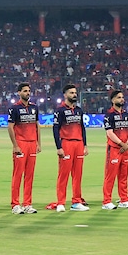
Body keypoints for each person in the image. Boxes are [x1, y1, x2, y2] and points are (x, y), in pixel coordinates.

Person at [52, 83, 89, 211]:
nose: (74, 95)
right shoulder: (60, 110)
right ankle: (60, 203)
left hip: (79, 144)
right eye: (71, 93)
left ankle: (76, 202)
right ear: (65, 95)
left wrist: (85, 145)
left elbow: (82, 128)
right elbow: (55, 129)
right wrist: (59, 147)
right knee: (63, 174)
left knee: (78, 175)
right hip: (66, 143)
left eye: (75, 93)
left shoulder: (79, 110)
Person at [7, 82, 40, 214]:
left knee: (30, 175)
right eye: (25, 91)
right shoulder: (14, 108)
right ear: (19, 93)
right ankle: (15, 204)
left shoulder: (34, 107)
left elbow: (37, 125)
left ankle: (27, 204)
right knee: (17, 175)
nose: (28, 93)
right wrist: (15, 145)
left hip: (32, 144)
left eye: (29, 91)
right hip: (21, 144)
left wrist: (38, 143)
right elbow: (10, 127)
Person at [102, 89, 128, 210]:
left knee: (123, 176)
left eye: (122, 97)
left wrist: (127, 144)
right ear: (113, 100)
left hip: (125, 149)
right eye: (119, 97)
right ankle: (106, 201)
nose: (122, 99)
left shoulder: (127, 115)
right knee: (110, 176)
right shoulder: (109, 115)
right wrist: (121, 144)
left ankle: (124, 200)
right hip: (114, 149)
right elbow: (109, 133)